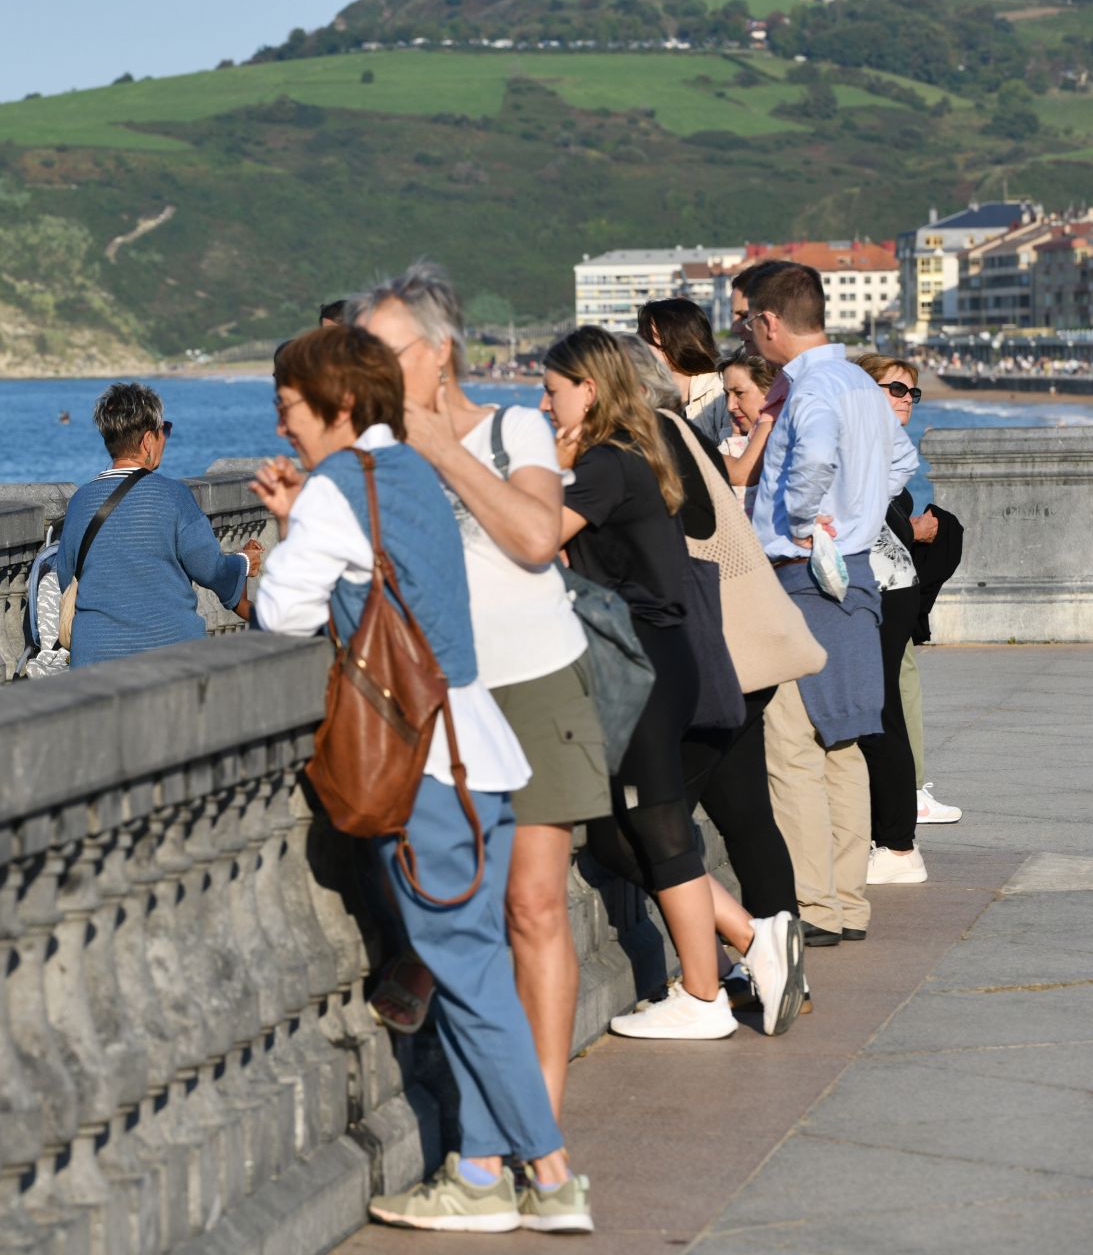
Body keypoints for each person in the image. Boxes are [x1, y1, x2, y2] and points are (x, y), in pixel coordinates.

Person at [250, 324, 591, 1233]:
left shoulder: (336, 489)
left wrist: (288, 539)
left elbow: (281, 611)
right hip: (483, 750)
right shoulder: (404, 471)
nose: (283, 426)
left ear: (335, 405)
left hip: (427, 767)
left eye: (288, 407)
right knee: (479, 967)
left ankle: (549, 1174)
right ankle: (480, 1171)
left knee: (472, 980)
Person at [347, 262, 609, 1116]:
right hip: (444, 704)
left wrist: (440, 449)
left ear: (439, 352)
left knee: (534, 907)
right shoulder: (377, 456)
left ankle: (541, 1123)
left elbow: (536, 536)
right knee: (460, 904)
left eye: (384, 351)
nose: (370, 369)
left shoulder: (510, 434)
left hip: (535, 687)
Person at [579, 332, 802, 1038]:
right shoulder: (675, 434)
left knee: (638, 832)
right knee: (740, 814)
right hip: (724, 656)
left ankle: (748, 948)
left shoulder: (643, 447)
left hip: (704, 651)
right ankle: (770, 945)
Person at [746, 263, 919, 946]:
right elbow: (902, 462)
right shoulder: (858, 384)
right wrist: (861, 512)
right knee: (844, 738)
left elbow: (814, 458)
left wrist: (801, 521)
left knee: (792, 743)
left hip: (807, 572)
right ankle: (847, 902)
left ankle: (815, 905)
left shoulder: (815, 388)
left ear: (769, 320)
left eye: (750, 323)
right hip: (855, 572)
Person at [57, 382, 261, 669]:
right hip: (169, 656)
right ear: (148, 441)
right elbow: (211, 570)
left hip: (94, 662)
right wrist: (242, 562)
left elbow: (67, 577)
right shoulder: (173, 496)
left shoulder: (80, 501)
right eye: (164, 429)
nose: (166, 436)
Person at [855, 354, 956, 880]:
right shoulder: (876, 442)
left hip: (883, 586)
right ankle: (893, 835)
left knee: (880, 711)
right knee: (883, 706)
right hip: (888, 586)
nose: (904, 399)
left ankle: (896, 845)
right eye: (894, 389)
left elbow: (868, 510)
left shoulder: (877, 444)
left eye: (909, 393)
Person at [638, 298, 732, 448]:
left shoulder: (723, 389)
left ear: (675, 340)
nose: (640, 346)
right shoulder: (643, 392)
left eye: (646, 338)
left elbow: (732, 453)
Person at [718, 347, 778, 498]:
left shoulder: (779, 437)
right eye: (727, 394)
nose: (730, 406)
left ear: (770, 390)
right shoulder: (731, 432)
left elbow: (742, 477)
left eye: (739, 393)